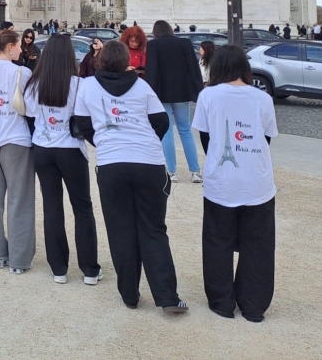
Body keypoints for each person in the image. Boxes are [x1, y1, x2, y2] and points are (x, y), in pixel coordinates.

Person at [72, 40, 188, 314]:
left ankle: (130, 295)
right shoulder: (142, 86)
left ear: (100, 61)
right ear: (127, 61)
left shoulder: (87, 86)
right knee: (154, 230)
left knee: (120, 231)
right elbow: (161, 122)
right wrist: (144, 140)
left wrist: (105, 141)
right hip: (148, 161)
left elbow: (82, 124)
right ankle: (167, 296)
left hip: (112, 163)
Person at [192, 45, 279, 322]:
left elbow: (206, 138)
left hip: (221, 182)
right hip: (257, 181)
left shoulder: (208, 96)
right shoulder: (263, 98)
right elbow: (266, 138)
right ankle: (254, 305)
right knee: (259, 245)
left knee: (217, 242)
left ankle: (221, 301)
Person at [24, 34, 101, 286]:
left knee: (52, 208)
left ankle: (58, 268)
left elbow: (30, 112)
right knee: (82, 208)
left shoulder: (35, 84)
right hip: (70, 148)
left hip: (43, 147)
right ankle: (89, 269)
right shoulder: (80, 84)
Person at [0, 28, 35, 274]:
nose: (22, 49)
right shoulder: (24, 72)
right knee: (19, 199)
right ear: (10, 47)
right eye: (20, 45)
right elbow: (30, 107)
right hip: (16, 138)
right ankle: (19, 259)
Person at [144, 20, 203, 184]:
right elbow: (193, 68)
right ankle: (195, 171)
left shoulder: (153, 45)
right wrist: (197, 91)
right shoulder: (185, 43)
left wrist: (149, 95)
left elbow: (152, 71)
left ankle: (172, 171)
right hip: (183, 92)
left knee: (168, 131)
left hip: (162, 93)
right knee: (185, 130)